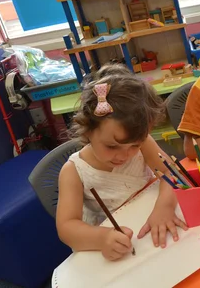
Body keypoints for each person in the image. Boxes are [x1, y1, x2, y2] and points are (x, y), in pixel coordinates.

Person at [56, 64, 187, 261]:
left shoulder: (143, 143)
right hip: (118, 244)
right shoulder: (73, 171)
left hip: (151, 226)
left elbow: (171, 172)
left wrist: (165, 207)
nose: (124, 155)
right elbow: (66, 227)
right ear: (88, 130)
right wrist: (103, 238)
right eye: (111, 146)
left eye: (134, 146)